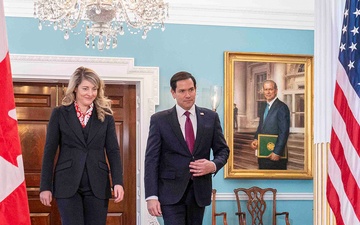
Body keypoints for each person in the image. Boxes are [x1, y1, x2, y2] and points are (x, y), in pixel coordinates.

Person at [39, 67, 124, 225]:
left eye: (94, 89)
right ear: (75, 88)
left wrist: (118, 181)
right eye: (85, 88)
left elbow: (113, 151)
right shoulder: (59, 114)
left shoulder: (106, 116)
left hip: (98, 184)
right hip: (67, 184)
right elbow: (49, 152)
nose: (90, 93)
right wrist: (45, 186)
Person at [144, 71, 230, 225]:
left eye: (191, 90)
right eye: (182, 91)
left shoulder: (211, 117)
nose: (188, 95)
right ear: (173, 93)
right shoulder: (159, 120)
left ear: (195, 89)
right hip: (170, 193)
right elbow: (151, 160)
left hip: (199, 193)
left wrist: (213, 165)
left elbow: (223, 151)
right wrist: (152, 196)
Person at [250, 80, 290, 170]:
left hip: (276, 156)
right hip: (263, 153)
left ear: (276, 90)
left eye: (270, 89)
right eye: (266, 89)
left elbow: (284, 132)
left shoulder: (282, 107)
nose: (268, 92)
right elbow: (261, 126)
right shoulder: (263, 106)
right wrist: (256, 139)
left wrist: (277, 152)